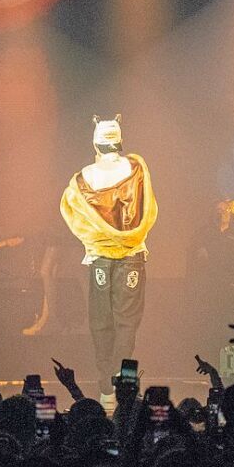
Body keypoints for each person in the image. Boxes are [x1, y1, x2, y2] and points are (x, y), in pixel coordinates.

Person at [60, 115, 158, 407]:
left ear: (96, 142)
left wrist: (94, 240)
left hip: (101, 258)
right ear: (119, 139)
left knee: (102, 322)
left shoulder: (83, 178)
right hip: (131, 256)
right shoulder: (137, 168)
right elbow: (149, 208)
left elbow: (70, 211)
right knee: (127, 323)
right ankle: (121, 385)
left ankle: (106, 389)